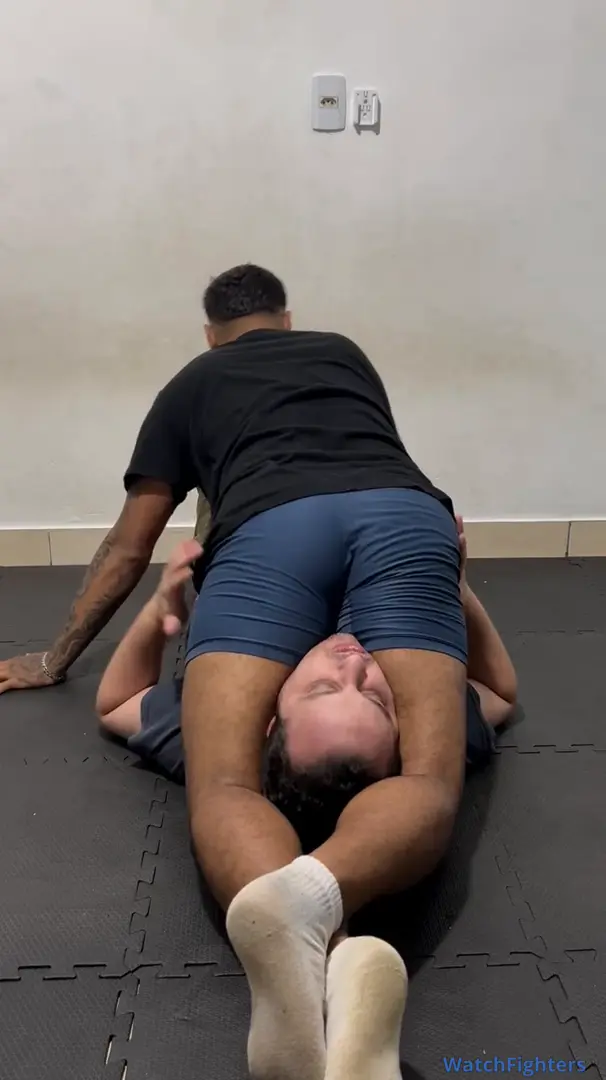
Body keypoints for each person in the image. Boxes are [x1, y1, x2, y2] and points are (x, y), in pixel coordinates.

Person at [0, 263, 513, 1078]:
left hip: (271, 528)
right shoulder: (342, 352)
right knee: (429, 777)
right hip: (404, 512)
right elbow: (499, 691)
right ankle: (326, 925)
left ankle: (313, 943)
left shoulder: (191, 381)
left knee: (226, 785)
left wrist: (54, 656)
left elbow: (131, 544)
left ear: (212, 335)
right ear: (286, 318)